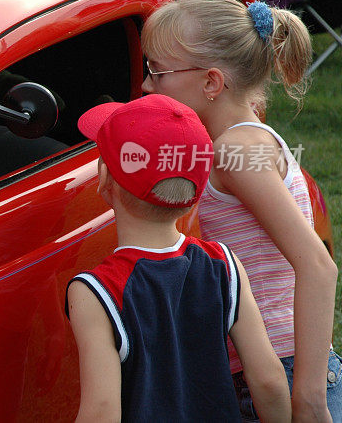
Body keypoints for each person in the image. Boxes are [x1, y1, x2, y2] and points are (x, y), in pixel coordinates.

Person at [140, 0, 340, 422]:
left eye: (158, 72)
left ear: (212, 82)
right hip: (268, 367)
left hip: (279, 373)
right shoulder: (243, 131)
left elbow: (318, 267)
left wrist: (306, 400)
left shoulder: (234, 151)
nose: (145, 85)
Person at [66, 94, 290, 422]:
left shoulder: (97, 291)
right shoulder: (224, 264)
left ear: (104, 180)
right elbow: (269, 380)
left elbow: (102, 412)